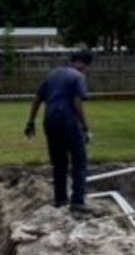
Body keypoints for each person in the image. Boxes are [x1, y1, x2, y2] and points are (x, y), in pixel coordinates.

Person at [24, 50, 93, 211]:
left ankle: (60, 200)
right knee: (79, 162)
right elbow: (77, 102)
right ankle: (78, 202)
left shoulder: (53, 74)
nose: (87, 70)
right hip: (68, 121)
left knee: (59, 163)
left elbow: (37, 98)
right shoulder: (78, 77)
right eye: (87, 67)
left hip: (50, 122)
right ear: (83, 63)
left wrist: (31, 121)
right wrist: (85, 127)